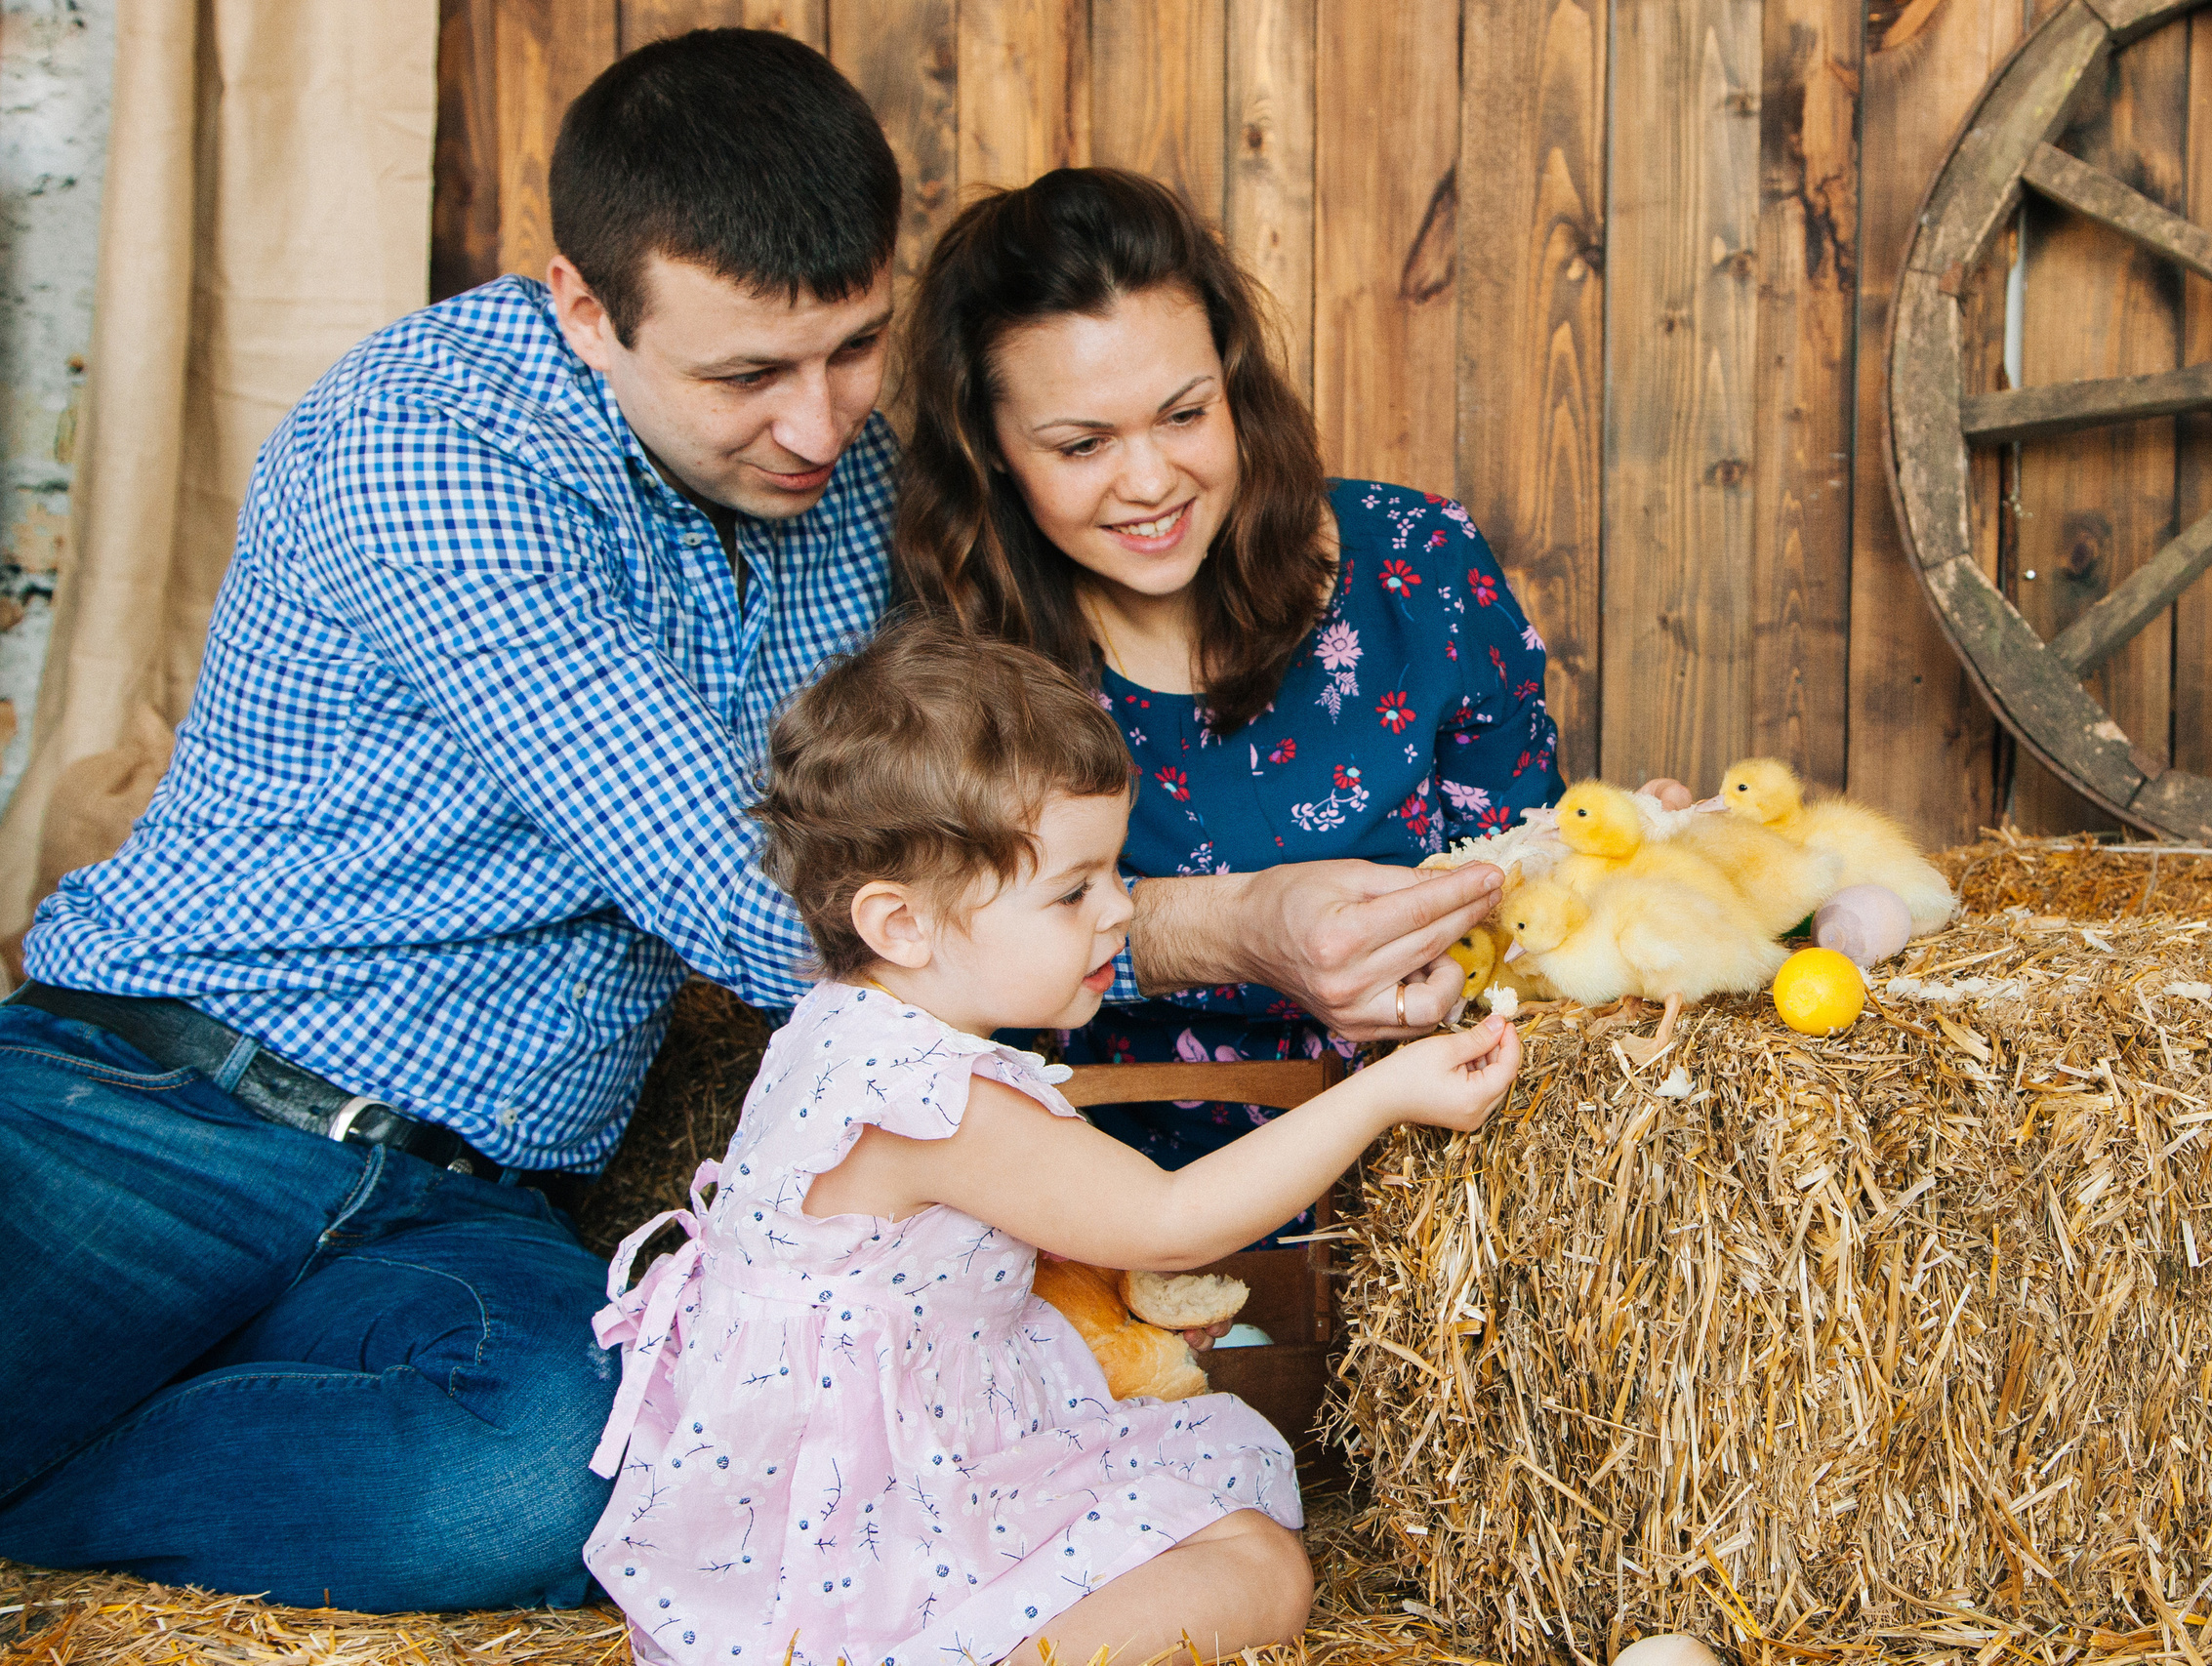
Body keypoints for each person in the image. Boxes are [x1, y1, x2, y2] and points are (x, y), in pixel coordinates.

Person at [0, 32, 1502, 1609]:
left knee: (560, 1478)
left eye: (854, 349)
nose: (817, 426)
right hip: (152, 1104)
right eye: (745, 378)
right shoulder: (432, 447)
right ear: (586, 307)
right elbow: (765, 898)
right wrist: (1238, 924)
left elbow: (966, 802)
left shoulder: (853, 483)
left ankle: (55, 1464)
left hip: (461, 1205)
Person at [583, 617, 1522, 1666]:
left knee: (1213, 1509)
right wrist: (1383, 1093)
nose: (1121, 911)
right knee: (1261, 1571)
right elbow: (1171, 1220)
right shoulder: (932, 1098)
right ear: (902, 925)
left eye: (1115, 871)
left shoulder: (842, 1028)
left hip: (883, 1455)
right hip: (872, 1512)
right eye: (1074, 890)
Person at [892, 169, 1559, 1203]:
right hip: (1118, 1201)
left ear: (1235, 385)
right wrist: (1234, 928)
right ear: (990, 449)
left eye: (1184, 414)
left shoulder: (1418, 562)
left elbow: (1529, 869)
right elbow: (937, 970)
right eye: (1082, 444)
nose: (1151, 481)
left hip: (1440, 1186)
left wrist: (1599, 872)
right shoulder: (960, 665)